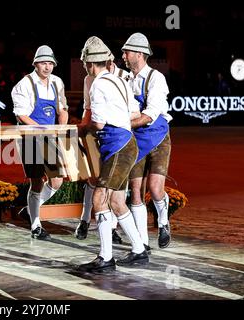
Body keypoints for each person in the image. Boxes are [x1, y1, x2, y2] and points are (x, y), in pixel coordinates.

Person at [77, 38, 148, 273]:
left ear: (89, 64)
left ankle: (106, 258)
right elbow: (133, 113)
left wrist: (82, 129)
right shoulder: (120, 81)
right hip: (126, 143)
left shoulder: (96, 84)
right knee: (117, 201)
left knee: (100, 199)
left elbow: (96, 123)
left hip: (117, 146)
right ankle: (139, 249)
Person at [11, 45, 69, 240]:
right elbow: (22, 115)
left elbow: (62, 110)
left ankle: (30, 210)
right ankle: (36, 225)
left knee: (57, 180)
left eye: (50, 63)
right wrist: (43, 130)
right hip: (29, 138)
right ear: (35, 64)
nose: (47, 67)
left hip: (50, 138)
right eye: (43, 63)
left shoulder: (57, 82)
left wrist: (60, 130)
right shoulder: (24, 84)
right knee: (36, 182)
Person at [121, 32, 173, 249]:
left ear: (140, 54)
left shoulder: (156, 78)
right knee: (135, 191)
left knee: (155, 187)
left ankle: (163, 221)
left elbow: (151, 114)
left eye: (127, 51)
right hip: (136, 140)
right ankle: (141, 243)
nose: (123, 55)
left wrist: (123, 124)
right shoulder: (125, 79)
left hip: (158, 137)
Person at [74, 37, 125, 244]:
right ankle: (86, 220)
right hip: (104, 134)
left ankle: (113, 233)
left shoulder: (121, 78)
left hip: (113, 136)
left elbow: (107, 119)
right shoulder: (89, 80)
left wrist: (87, 127)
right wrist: (84, 133)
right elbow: (88, 108)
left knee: (109, 192)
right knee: (93, 180)